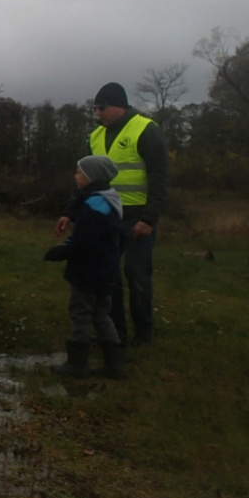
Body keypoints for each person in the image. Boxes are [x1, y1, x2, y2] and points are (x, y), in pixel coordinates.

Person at [56, 82, 169, 346]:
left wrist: (148, 218)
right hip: (105, 218)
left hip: (137, 216)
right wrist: (70, 212)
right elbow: (84, 180)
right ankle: (116, 333)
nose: (98, 113)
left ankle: (144, 331)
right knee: (108, 276)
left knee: (136, 274)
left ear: (120, 106)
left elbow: (160, 178)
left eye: (102, 108)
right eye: (95, 109)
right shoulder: (95, 136)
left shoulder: (146, 130)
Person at [44, 155, 127, 379]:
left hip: (88, 271)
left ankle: (77, 364)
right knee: (102, 315)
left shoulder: (94, 205)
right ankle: (115, 365)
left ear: (91, 177)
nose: (75, 176)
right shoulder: (108, 198)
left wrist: (60, 252)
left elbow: (83, 241)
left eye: (79, 172)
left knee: (80, 314)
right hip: (106, 269)